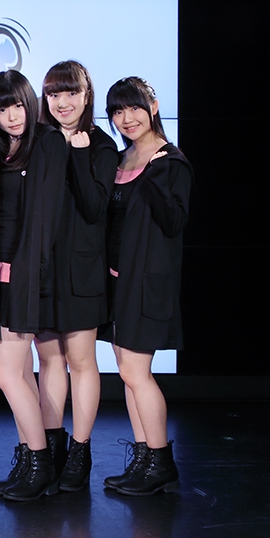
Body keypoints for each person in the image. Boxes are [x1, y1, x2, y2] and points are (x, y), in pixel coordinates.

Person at [102, 77, 190, 496]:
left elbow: (174, 222)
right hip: (117, 283)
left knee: (137, 373)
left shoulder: (171, 163)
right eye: (118, 111)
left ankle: (160, 462)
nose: (127, 118)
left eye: (134, 107)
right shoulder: (121, 159)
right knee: (127, 373)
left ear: (153, 106)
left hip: (146, 285)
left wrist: (153, 174)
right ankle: (144, 459)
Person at [0, 70, 69, 502]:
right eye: (2, 109)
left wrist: (27, 274)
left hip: (27, 273)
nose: (12, 116)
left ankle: (40, 461)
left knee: (2, 371)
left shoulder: (48, 142)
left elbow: (45, 217)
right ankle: (31, 460)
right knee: (17, 372)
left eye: (17, 105)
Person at [37, 60, 119, 492]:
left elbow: (93, 207)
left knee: (81, 361)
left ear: (87, 96)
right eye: (54, 94)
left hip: (83, 269)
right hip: (42, 268)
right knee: (48, 359)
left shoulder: (102, 146)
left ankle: (80, 451)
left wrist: (80, 153)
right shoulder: (40, 140)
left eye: (71, 93)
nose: (63, 102)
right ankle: (51, 446)